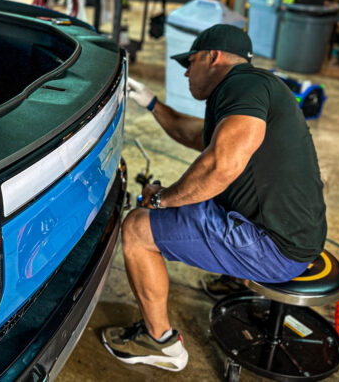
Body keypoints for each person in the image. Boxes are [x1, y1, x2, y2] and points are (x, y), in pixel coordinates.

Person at [100, 24, 326, 372]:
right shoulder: (258, 88)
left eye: (189, 62)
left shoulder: (242, 84)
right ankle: (233, 275)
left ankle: (159, 342)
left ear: (213, 57)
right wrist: (151, 102)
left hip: (275, 247)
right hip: (295, 234)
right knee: (197, 200)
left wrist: (162, 200)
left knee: (137, 229)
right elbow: (196, 135)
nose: (187, 72)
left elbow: (222, 165)